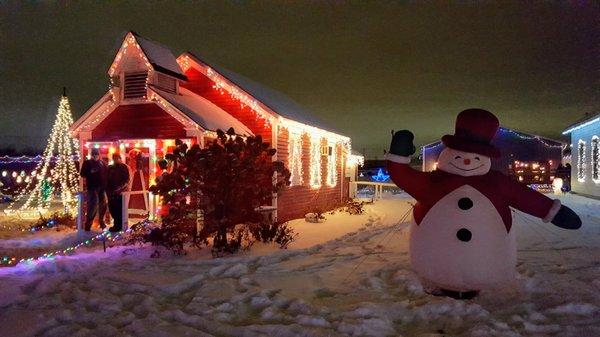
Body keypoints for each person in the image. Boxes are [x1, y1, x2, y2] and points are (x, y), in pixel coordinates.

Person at [80, 148, 108, 231]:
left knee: (103, 204)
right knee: (93, 205)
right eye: (94, 154)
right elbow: (82, 174)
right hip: (92, 187)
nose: (95, 156)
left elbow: (106, 173)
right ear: (92, 155)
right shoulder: (87, 163)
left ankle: (101, 221)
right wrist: (90, 171)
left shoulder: (102, 163)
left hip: (102, 188)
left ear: (99, 155)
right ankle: (88, 224)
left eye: (97, 154)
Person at [106, 153, 130, 232]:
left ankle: (119, 225)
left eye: (117, 158)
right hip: (111, 192)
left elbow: (126, 179)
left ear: (120, 158)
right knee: (112, 209)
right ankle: (117, 225)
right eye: (114, 158)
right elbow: (107, 179)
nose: (116, 160)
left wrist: (120, 189)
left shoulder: (124, 167)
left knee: (119, 209)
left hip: (120, 193)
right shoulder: (110, 167)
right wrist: (108, 190)